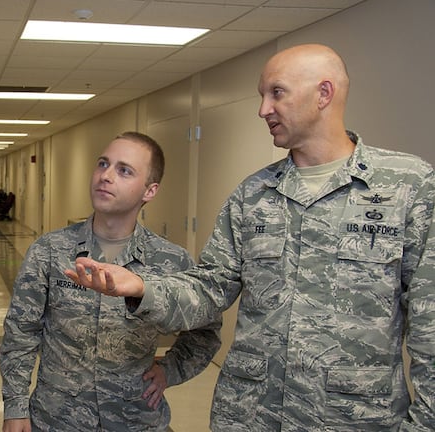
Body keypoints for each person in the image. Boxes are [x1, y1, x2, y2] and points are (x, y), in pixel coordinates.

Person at [65, 44, 435, 431]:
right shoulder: (253, 194)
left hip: (352, 417)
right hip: (251, 415)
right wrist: (144, 288)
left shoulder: (406, 186)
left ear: (324, 94)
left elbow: (429, 323)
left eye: (277, 92)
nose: (263, 109)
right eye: (262, 95)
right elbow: (211, 289)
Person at [0, 132, 222, 431]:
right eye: (103, 164)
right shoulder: (51, 251)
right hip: (57, 419)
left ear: (149, 190)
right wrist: (15, 406)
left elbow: (206, 329)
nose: (106, 175)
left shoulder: (171, 261)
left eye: (124, 170)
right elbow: (21, 332)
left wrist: (170, 370)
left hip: (135, 419)